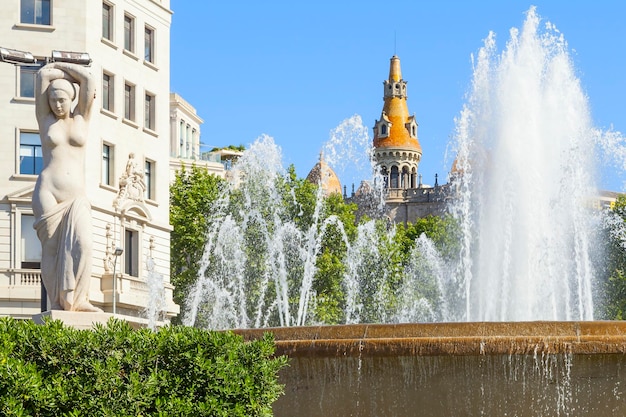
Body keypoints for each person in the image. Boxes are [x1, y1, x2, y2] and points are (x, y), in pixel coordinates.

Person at [32, 62, 101, 312]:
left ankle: (80, 299)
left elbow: (89, 80)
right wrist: (53, 73)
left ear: (72, 98)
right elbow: (42, 74)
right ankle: (56, 303)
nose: (57, 105)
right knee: (50, 249)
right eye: (53, 100)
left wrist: (61, 65)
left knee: (84, 245)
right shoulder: (45, 120)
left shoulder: (82, 117)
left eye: (62, 100)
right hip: (48, 191)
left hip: (76, 198)